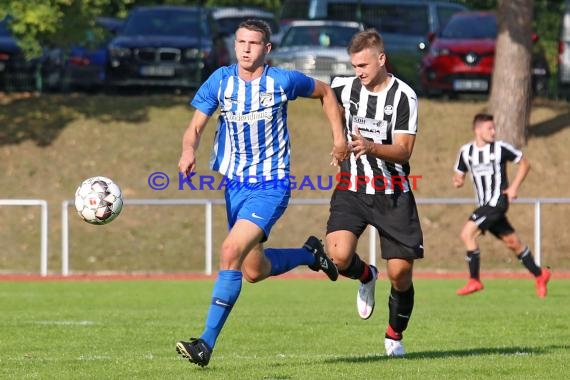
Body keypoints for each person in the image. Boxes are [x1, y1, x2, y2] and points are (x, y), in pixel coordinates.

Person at [175, 19, 349, 367]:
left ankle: (205, 344)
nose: (245, 48)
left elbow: (326, 92)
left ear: (266, 49)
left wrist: (339, 138)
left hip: (271, 185)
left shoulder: (282, 81)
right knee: (254, 270)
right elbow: (195, 125)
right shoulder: (221, 81)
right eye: (240, 42)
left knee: (229, 252)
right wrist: (188, 150)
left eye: (253, 43)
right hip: (234, 186)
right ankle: (310, 255)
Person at [325, 29, 424, 357]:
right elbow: (325, 95)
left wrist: (371, 147)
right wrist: (339, 138)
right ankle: (366, 275)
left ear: (381, 59)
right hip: (352, 187)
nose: (359, 72)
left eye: (364, 65)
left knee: (401, 274)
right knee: (338, 256)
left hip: (392, 191)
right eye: (354, 66)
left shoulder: (404, 96)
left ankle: (395, 333)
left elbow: (404, 151)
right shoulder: (346, 85)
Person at [453, 113, 551, 297]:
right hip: (484, 205)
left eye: (494, 127)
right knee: (513, 243)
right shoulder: (466, 151)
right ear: (478, 129)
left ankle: (474, 280)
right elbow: (459, 173)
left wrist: (513, 187)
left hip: (497, 202)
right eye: (489, 128)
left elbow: (525, 163)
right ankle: (540, 274)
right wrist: (458, 180)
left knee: (467, 234)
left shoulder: (500, 148)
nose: (494, 131)